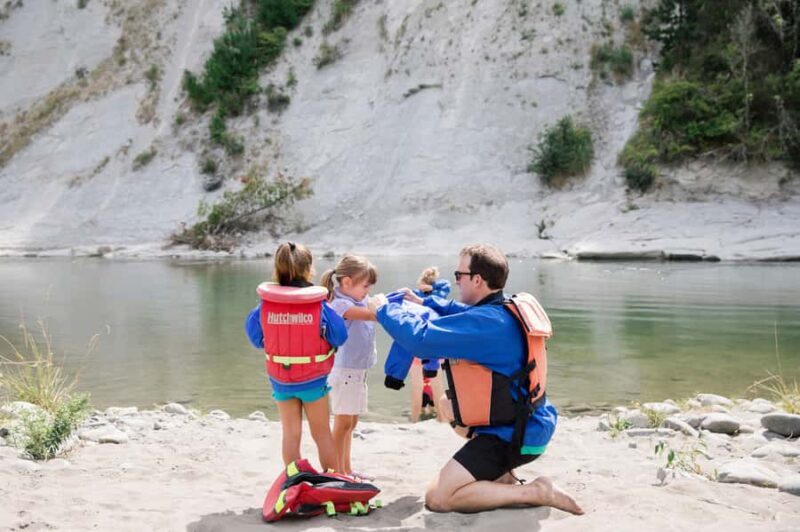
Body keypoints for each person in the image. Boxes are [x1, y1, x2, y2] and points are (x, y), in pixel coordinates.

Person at [375, 244, 583, 515]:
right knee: (446, 403)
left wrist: (382, 309)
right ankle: (502, 476)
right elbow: (464, 313)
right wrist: (428, 302)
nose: (456, 281)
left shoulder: (487, 325)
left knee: (438, 498)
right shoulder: (504, 309)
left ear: (477, 279)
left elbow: (421, 340)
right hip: (529, 422)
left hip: (513, 435)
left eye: (459, 275)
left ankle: (535, 491)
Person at [245, 242, 347, 473]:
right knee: (321, 434)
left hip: (281, 379)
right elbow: (340, 336)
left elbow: (255, 338)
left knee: (290, 434)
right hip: (313, 380)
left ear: (277, 268)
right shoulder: (320, 307)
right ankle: (334, 480)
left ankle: (295, 480)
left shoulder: (264, 306)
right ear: (309, 268)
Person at [321, 254, 383, 479]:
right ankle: (336, 472)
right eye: (365, 286)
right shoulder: (340, 304)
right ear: (346, 282)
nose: (368, 291)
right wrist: (382, 308)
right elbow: (371, 315)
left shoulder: (357, 300)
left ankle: (346, 468)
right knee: (343, 422)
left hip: (357, 372)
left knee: (351, 422)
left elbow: (370, 307)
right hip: (344, 372)